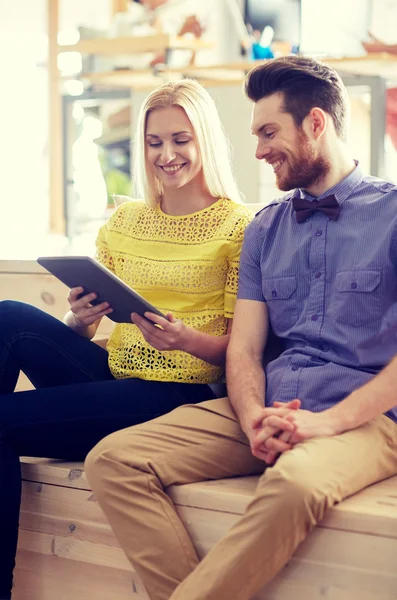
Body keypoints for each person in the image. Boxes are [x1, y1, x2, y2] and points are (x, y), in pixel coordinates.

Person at [85, 55, 397, 600]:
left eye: (269, 132)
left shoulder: (392, 216)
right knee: (114, 460)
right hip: (264, 406)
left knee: (293, 482)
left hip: (364, 418)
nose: (258, 150)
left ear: (316, 124)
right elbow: (246, 350)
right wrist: (254, 417)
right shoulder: (265, 228)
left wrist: (324, 426)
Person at [0, 78, 252, 600]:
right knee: (8, 315)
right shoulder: (123, 221)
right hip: (115, 375)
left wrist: (186, 340)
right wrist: (81, 324)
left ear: (204, 138)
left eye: (180, 139)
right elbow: (101, 328)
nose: (167, 154)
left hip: (180, 395)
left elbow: (241, 348)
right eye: (155, 142)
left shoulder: (239, 227)